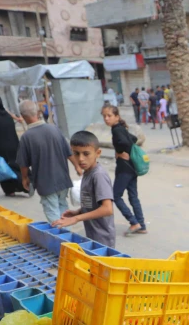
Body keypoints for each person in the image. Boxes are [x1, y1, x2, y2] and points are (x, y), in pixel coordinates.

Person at [16, 100, 79, 223]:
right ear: (37, 112)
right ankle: (67, 234)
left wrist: (24, 178)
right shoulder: (53, 129)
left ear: (23, 117)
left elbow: (23, 163)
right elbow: (68, 152)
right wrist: (77, 166)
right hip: (62, 179)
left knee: (53, 214)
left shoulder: (26, 137)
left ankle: (62, 239)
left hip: (46, 183)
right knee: (63, 209)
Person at [51, 131, 117, 246]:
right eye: (76, 153)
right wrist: (77, 212)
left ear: (98, 153)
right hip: (93, 235)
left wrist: (76, 219)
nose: (81, 159)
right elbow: (94, 204)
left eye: (86, 154)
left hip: (103, 238)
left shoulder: (98, 175)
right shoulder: (88, 172)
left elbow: (107, 209)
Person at [101, 104, 147, 236]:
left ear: (117, 117)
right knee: (133, 196)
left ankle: (133, 222)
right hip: (132, 167)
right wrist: (125, 150)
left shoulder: (116, 130)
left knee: (115, 195)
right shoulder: (120, 127)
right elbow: (133, 139)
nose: (106, 118)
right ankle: (142, 225)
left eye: (109, 116)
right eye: (104, 116)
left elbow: (126, 142)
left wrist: (120, 152)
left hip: (124, 168)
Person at [0, 94, 25, 197]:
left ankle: (10, 190)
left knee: (4, 168)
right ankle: (25, 184)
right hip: (14, 145)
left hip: (1, 148)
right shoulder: (7, 115)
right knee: (16, 166)